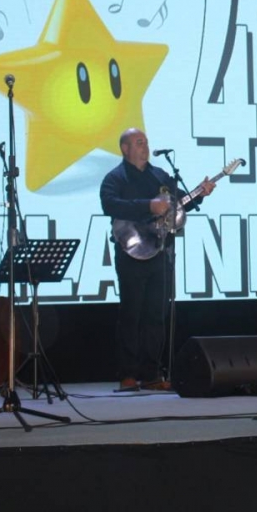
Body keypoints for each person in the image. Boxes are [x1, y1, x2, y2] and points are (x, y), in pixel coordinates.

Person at [100, 128, 216, 391]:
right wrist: (147, 205)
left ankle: (152, 373)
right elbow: (110, 205)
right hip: (131, 251)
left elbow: (178, 204)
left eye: (146, 142)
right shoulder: (115, 178)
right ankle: (128, 374)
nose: (145, 147)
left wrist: (200, 193)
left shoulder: (160, 175)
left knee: (156, 314)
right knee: (131, 313)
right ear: (125, 149)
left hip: (160, 250)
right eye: (139, 143)